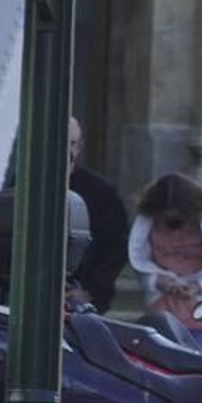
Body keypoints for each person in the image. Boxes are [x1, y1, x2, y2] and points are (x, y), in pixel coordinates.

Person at [128, 173, 202, 346]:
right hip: (160, 304)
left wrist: (201, 286)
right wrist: (157, 280)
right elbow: (138, 259)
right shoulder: (147, 217)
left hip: (200, 305)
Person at [65, 117, 130, 313]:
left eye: (71, 143)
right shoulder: (22, 184)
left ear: (79, 147)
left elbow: (116, 247)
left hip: (83, 296)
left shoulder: (101, 192)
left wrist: (90, 290)